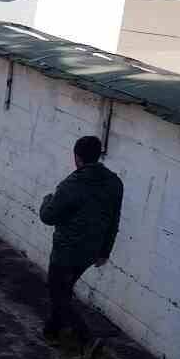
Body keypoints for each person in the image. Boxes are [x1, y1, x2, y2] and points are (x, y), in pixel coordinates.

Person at [39, 135, 124, 345]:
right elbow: (114, 219)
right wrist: (105, 251)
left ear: (77, 157)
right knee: (63, 290)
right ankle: (52, 332)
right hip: (91, 251)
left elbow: (48, 216)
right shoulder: (115, 183)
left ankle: (85, 337)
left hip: (66, 250)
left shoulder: (72, 184)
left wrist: (47, 199)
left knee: (58, 293)